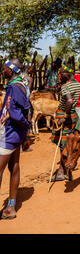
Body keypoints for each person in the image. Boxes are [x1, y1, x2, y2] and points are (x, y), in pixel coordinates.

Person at [0, 58, 31, 219]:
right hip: (16, 132)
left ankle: (11, 207)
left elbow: (13, 111)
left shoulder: (14, 86)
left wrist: (26, 124)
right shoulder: (22, 83)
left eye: (4, 68)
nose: (2, 71)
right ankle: (10, 207)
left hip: (9, 133)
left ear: (11, 70)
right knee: (14, 166)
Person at [51, 64, 80, 182]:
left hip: (65, 116)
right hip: (74, 116)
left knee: (63, 144)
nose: (60, 75)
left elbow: (69, 101)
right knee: (68, 142)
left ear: (66, 73)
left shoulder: (66, 86)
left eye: (61, 73)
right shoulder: (77, 85)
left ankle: (64, 171)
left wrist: (65, 115)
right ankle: (62, 170)